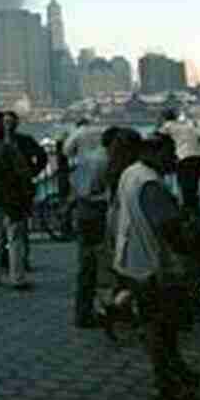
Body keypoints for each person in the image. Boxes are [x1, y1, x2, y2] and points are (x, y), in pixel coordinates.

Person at [111, 133, 200, 400]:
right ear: (154, 153)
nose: (174, 160)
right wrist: (189, 246)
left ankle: (177, 372)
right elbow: (168, 228)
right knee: (162, 327)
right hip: (154, 267)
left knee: (159, 325)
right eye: (169, 154)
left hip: (132, 260)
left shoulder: (130, 173)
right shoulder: (151, 183)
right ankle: (167, 383)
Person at [0, 113, 33, 291]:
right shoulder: (10, 150)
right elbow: (23, 173)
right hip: (10, 194)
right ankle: (17, 277)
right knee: (15, 237)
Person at [70, 126, 114, 328]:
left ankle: (83, 311)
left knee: (85, 265)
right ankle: (105, 309)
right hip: (96, 213)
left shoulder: (87, 158)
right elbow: (98, 192)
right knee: (100, 264)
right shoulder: (105, 162)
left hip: (83, 212)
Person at [2, 111, 45, 272]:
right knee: (11, 228)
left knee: (19, 228)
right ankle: (12, 260)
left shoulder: (23, 141)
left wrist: (33, 171)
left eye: (10, 122)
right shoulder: (5, 142)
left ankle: (20, 259)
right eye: (6, 122)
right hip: (13, 188)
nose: (8, 126)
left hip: (20, 189)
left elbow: (42, 155)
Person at [158, 109, 200, 212]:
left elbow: (159, 133)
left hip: (184, 157)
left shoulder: (169, 125)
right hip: (197, 156)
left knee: (184, 186)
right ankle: (196, 210)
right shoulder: (186, 125)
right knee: (194, 186)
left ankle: (187, 210)